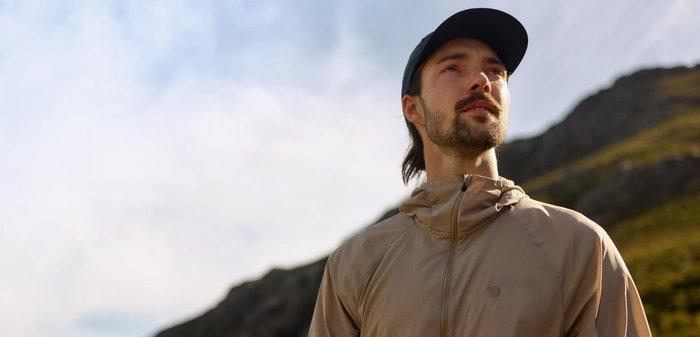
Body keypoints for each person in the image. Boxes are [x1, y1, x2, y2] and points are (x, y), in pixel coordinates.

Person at [308, 8, 652, 337]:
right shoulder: (356, 262)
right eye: (453, 68)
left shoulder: (578, 245)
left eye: (495, 70)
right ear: (413, 108)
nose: (481, 80)